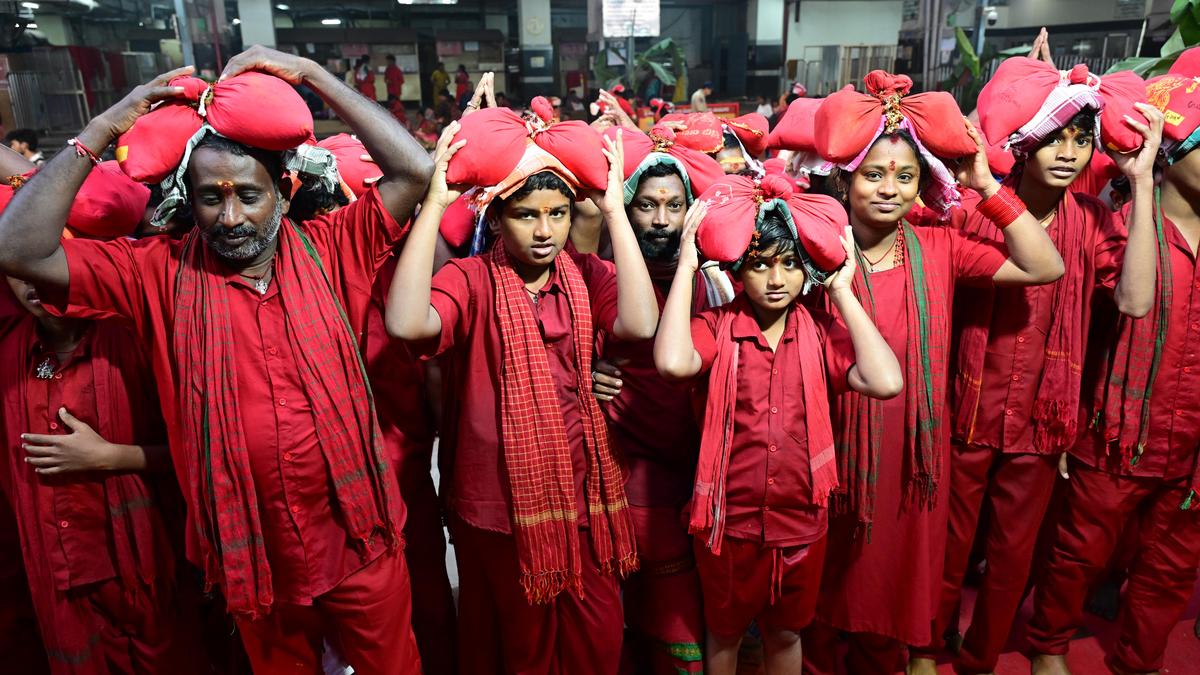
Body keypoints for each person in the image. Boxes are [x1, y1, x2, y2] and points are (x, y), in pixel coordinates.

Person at [0, 45, 435, 674]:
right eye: (211, 198)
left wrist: (312, 77)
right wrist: (104, 127)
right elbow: (20, 248)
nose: (230, 217)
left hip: (356, 540)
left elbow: (414, 173)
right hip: (250, 554)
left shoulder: (333, 247)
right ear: (190, 199)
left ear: (285, 191)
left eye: (248, 196)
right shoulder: (156, 272)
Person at [801, 70, 1065, 675]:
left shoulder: (938, 245)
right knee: (819, 595)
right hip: (832, 444)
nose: (890, 189)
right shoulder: (812, 247)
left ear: (923, 183)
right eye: (874, 175)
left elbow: (1043, 266)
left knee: (887, 594)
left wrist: (985, 185)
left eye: (905, 176)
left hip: (911, 454)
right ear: (845, 179)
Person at [907, 59, 1160, 675]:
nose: (1070, 153)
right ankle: (924, 647)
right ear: (1026, 139)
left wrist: (1144, 183)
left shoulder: (1096, 222)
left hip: (1042, 419)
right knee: (946, 545)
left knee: (1013, 554)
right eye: (1056, 137)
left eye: (1081, 139)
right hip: (965, 408)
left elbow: (1135, 301)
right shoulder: (971, 208)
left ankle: (982, 656)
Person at [387, 114, 658, 674]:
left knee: (597, 647)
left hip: (586, 502)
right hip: (503, 511)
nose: (544, 232)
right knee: (521, 652)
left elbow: (640, 324)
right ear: (497, 217)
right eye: (526, 215)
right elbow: (408, 324)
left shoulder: (588, 273)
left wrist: (611, 208)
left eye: (557, 214)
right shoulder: (472, 279)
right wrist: (435, 204)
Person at [655, 175, 902, 675]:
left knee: (786, 635)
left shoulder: (820, 330)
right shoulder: (718, 326)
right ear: (737, 271)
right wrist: (686, 266)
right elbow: (673, 363)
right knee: (723, 636)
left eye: (790, 264)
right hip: (729, 524)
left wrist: (843, 290)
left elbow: (886, 381)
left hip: (800, 526)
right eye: (760, 265)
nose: (776, 280)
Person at [1026, 63, 1200, 675]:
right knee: (1079, 553)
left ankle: (1141, 660)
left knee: (1174, 564)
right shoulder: (1121, 227)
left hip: (1193, 443)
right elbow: (1105, 318)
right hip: (1118, 429)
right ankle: (1048, 645)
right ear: (1173, 152)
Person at [586, 127, 726, 675]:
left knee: (689, 621)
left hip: (702, 467)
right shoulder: (603, 276)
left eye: (674, 206)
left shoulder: (721, 283)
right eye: (646, 205)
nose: (662, 221)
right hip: (624, 466)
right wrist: (588, 374)